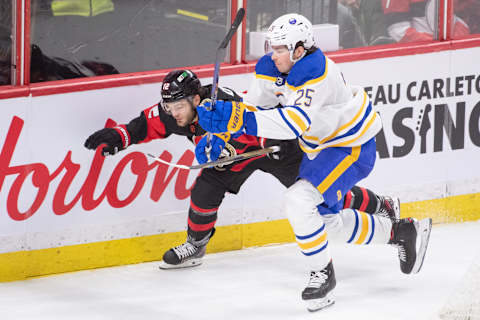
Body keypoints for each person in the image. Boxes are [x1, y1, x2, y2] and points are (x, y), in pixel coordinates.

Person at [196, 13, 432, 312]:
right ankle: (402, 232)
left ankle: (323, 275)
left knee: (297, 200)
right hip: (320, 149)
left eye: (280, 48)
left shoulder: (315, 70)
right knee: (326, 224)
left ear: (298, 49)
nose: (273, 54)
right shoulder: (271, 67)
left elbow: (294, 123)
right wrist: (225, 135)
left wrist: (239, 119)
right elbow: (257, 110)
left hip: (351, 146)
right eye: (272, 47)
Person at [84, 69, 401, 270]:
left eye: (178, 106)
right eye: (169, 107)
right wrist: (119, 137)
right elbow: (144, 125)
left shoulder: (225, 103)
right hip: (230, 161)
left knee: (323, 195)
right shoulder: (174, 112)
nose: (172, 113)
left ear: (196, 98)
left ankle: (383, 205)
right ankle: (196, 245)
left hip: (272, 150)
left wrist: (222, 138)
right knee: (203, 193)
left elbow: (259, 125)